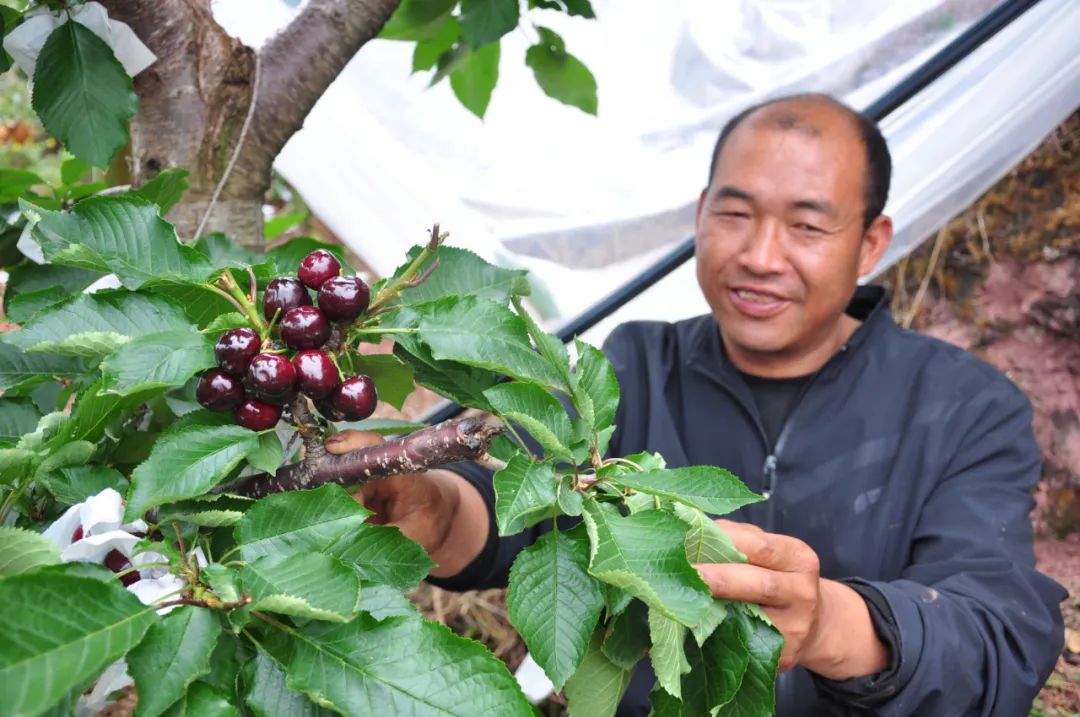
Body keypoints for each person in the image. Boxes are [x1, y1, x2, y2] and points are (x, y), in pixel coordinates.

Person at [326, 93, 1066, 716]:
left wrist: (834, 623)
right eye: (736, 214)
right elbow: (521, 504)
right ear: (703, 211)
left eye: (808, 225)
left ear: (871, 242)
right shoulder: (635, 364)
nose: (761, 255)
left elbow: (998, 636)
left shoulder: (964, 408)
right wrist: (437, 508)